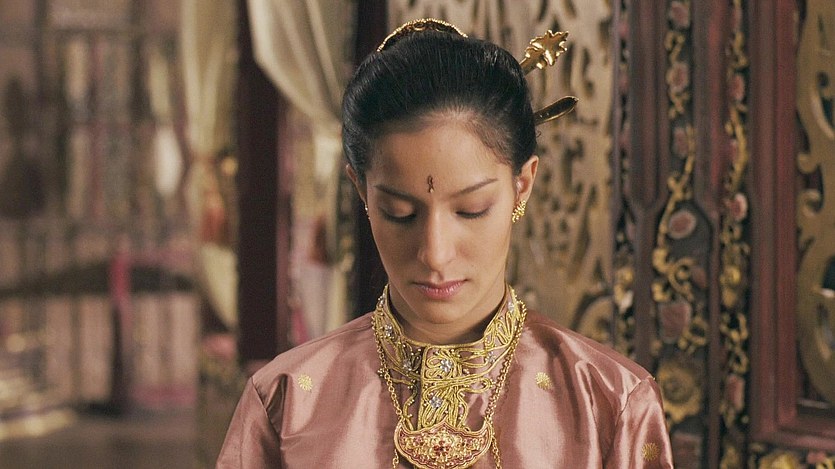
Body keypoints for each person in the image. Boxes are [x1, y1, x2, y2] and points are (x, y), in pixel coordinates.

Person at [217, 18, 674, 468]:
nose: (434, 254)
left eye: (471, 210)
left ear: (522, 186)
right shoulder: (286, 403)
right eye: (400, 213)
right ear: (362, 191)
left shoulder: (610, 404)